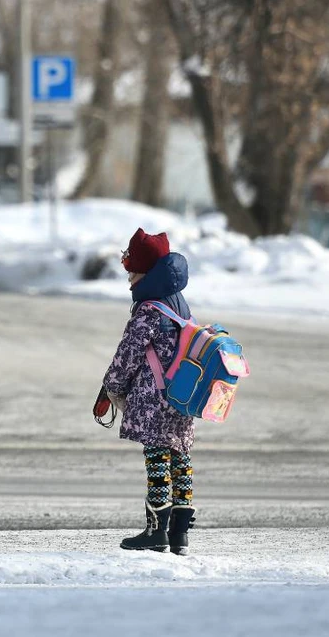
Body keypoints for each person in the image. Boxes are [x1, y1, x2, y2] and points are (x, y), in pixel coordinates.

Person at [102, 228, 197, 555]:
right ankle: (180, 534)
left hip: (154, 397)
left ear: (147, 273)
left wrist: (110, 387)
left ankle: (156, 531)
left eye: (133, 272)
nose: (129, 279)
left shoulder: (148, 310)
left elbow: (128, 353)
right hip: (183, 394)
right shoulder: (179, 304)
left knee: (157, 457)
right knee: (180, 457)